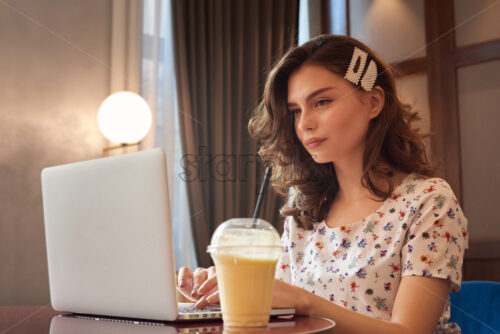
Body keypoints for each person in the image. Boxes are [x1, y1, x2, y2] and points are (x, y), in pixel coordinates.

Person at [177, 35, 468, 334]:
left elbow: (410, 331)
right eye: (295, 111)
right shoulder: (306, 211)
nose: (304, 123)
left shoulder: (429, 201)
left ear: (373, 101)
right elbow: (279, 320)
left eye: (322, 102)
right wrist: (224, 294)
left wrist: (304, 302)